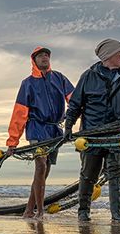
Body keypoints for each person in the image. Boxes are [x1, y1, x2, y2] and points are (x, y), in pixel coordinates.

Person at [64, 39, 120, 222]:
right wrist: (68, 126)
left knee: (116, 173)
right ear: (108, 56)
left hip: (117, 135)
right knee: (88, 174)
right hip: (92, 135)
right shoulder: (88, 76)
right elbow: (75, 104)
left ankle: (117, 213)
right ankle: (83, 211)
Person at [6, 46, 74, 219]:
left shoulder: (59, 78)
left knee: (45, 170)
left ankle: (29, 209)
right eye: (40, 56)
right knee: (41, 165)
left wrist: (72, 116)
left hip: (54, 129)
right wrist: (12, 141)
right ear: (34, 60)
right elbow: (19, 113)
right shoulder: (27, 83)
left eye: (46, 55)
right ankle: (40, 211)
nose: (44, 58)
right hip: (36, 128)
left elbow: (74, 100)